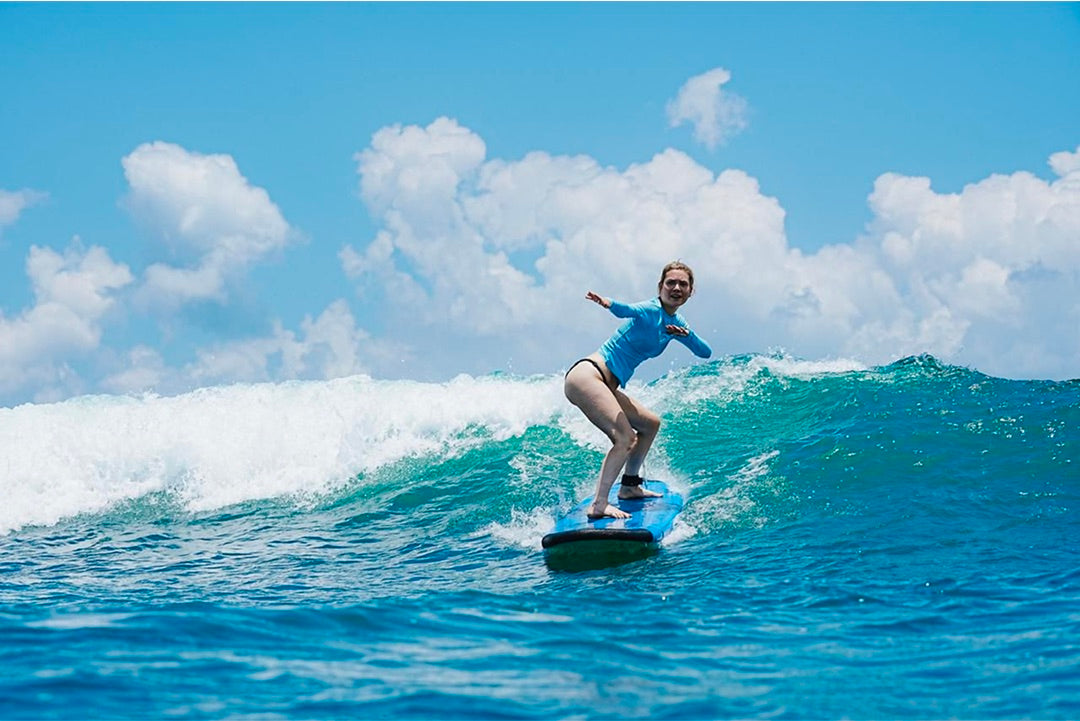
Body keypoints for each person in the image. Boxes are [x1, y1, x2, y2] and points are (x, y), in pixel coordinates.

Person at [564, 261, 713, 520]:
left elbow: (705, 352)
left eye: (683, 284)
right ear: (660, 286)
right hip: (589, 375)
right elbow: (626, 310)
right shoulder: (650, 309)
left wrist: (685, 335)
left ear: (691, 292)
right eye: (671, 283)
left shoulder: (676, 323)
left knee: (650, 424)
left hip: (605, 383)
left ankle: (630, 486)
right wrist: (607, 302)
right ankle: (599, 504)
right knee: (625, 438)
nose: (676, 287)